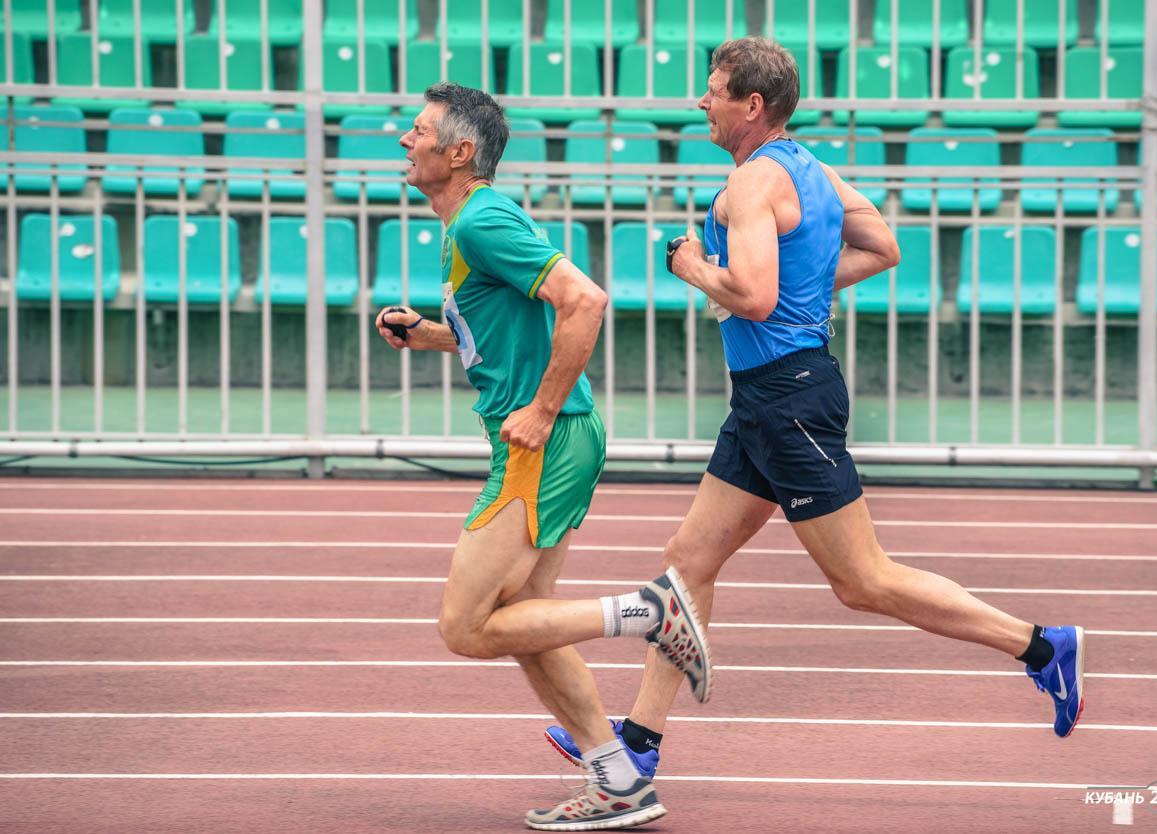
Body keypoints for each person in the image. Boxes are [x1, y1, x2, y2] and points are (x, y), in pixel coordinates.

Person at [543, 37, 1085, 778]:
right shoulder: (811, 169)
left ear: (752, 105)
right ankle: (639, 741)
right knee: (688, 561)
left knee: (862, 580)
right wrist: (800, 293)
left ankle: (1042, 645)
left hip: (788, 398)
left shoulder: (750, 187)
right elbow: (882, 246)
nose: (701, 102)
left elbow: (756, 296)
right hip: (771, 398)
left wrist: (693, 265)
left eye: (714, 91)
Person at [375, 82, 716, 830]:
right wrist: (428, 331)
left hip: (544, 440)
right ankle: (618, 781)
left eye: (419, 131)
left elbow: (583, 299)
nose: (405, 140)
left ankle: (649, 610)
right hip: (554, 437)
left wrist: (541, 408)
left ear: (459, 153)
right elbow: (503, 326)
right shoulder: (466, 221)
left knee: (466, 627)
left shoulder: (481, 221)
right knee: (527, 619)